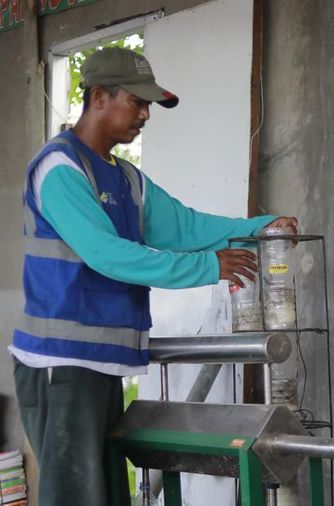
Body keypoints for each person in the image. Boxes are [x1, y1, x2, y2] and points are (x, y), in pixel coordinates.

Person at [8, 47, 296, 506]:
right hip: (60, 365)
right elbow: (108, 255)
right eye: (137, 102)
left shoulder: (125, 178)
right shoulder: (60, 168)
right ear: (99, 95)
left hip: (98, 364)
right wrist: (208, 267)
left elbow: (185, 227)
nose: (145, 114)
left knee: (104, 496)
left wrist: (257, 229)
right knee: (76, 498)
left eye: (150, 106)